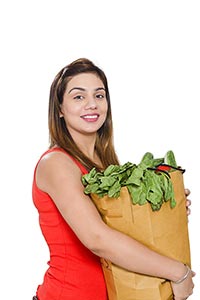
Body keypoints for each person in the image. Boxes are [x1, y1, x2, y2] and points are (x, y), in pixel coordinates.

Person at [32, 58, 195, 300]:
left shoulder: (106, 164)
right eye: (79, 97)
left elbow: (125, 230)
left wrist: (162, 209)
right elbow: (98, 239)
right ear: (59, 109)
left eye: (99, 95)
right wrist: (177, 273)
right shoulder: (56, 163)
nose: (92, 104)